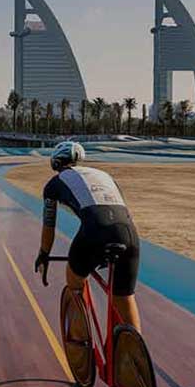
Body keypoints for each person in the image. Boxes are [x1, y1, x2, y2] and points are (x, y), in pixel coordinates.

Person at [34, 141, 141, 331]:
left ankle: (80, 338)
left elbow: (49, 224)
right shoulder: (104, 175)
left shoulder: (54, 184)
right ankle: (132, 354)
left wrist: (43, 254)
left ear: (56, 163)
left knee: (75, 281)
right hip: (129, 233)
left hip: (95, 232)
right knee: (124, 296)